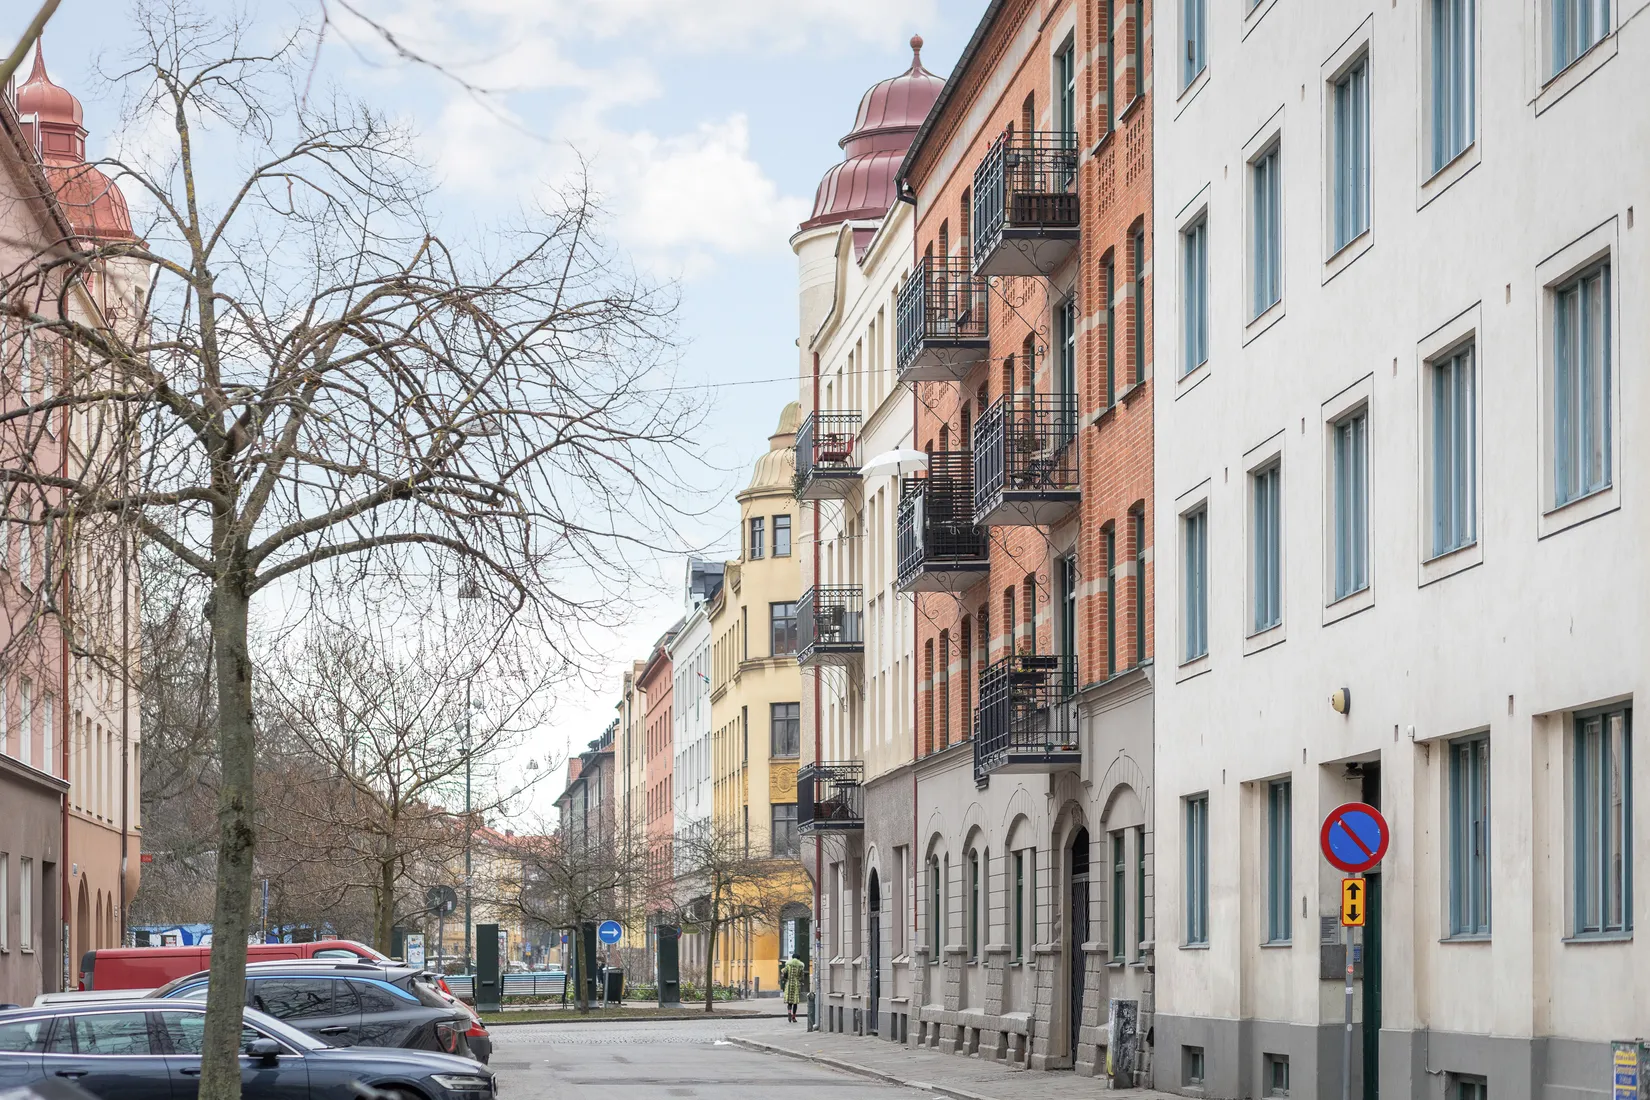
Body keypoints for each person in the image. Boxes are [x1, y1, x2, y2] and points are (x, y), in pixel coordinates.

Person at [780, 954, 808, 1024]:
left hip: (789, 984)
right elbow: (802, 977)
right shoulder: (801, 965)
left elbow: (784, 972)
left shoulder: (788, 964)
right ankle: (794, 1016)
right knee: (795, 1002)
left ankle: (789, 1012)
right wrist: (800, 980)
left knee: (790, 1001)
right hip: (796, 984)